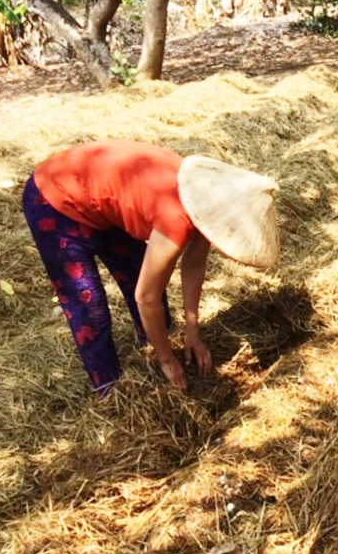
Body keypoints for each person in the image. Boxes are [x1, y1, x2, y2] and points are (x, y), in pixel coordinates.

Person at [23, 140, 280, 395]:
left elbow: (193, 264)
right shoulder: (176, 218)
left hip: (99, 199)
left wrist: (193, 330)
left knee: (138, 275)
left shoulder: (204, 202)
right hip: (54, 199)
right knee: (91, 307)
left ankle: (150, 350)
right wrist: (167, 360)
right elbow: (146, 298)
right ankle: (110, 389)